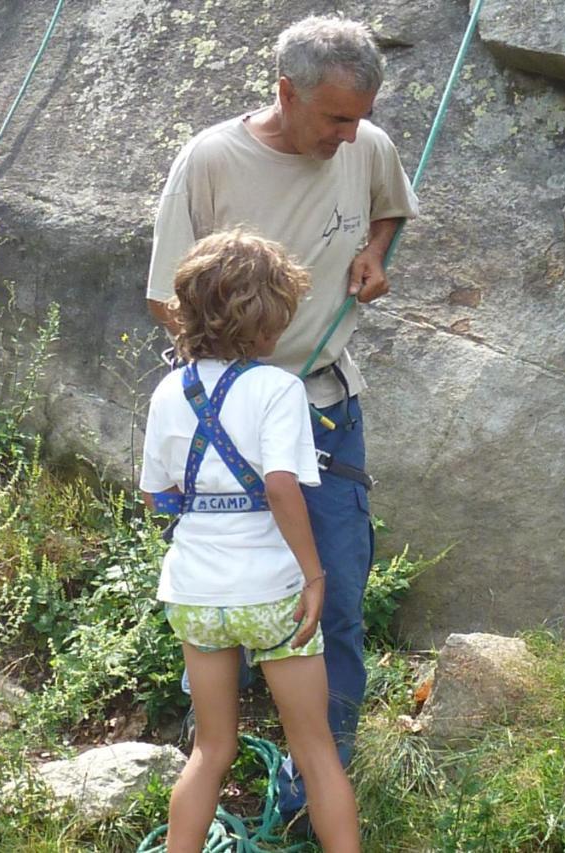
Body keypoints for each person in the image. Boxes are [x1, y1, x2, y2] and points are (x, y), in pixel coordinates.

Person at [145, 15, 419, 818]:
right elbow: (167, 293)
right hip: (234, 430)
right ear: (285, 91)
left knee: (331, 601)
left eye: (361, 116)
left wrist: (374, 254)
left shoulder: (365, 145)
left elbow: (389, 208)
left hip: (327, 411)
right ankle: (236, 751)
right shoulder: (211, 160)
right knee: (235, 598)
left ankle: (310, 791)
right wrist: (242, 389)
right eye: (335, 117)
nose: (352, 133)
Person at [140, 230, 360, 853]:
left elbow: (157, 494)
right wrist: (314, 576)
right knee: (314, 747)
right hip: (272, 592)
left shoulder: (167, 392)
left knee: (211, 749)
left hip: (196, 592)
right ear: (268, 321)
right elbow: (283, 487)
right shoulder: (278, 389)